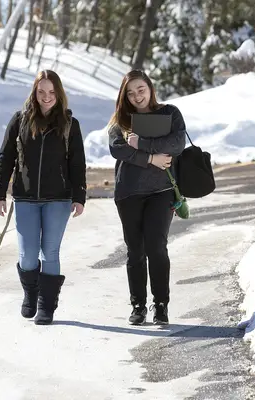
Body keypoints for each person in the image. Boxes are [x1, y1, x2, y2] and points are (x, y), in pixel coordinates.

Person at [0, 70, 87, 326]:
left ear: (59, 94)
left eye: (52, 92)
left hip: (59, 198)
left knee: (50, 252)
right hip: (25, 197)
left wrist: (80, 196)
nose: (46, 97)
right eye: (41, 91)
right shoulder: (20, 120)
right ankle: (30, 293)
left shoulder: (69, 124)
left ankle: (47, 306)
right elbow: (6, 157)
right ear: (34, 92)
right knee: (28, 255)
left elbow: (77, 163)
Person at [107, 69, 187, 325]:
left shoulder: (169, 113)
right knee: (135, 251)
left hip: (162, 191)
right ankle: (138, 306)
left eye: (140, 89)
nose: (137, 96)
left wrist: (142, 145)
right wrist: (152, 158)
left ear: (150, 88)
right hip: (128, 192)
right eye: (130, 93)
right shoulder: (121, 120)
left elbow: (176, 144)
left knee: (156, 246)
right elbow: (118, 149)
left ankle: (161, 304)